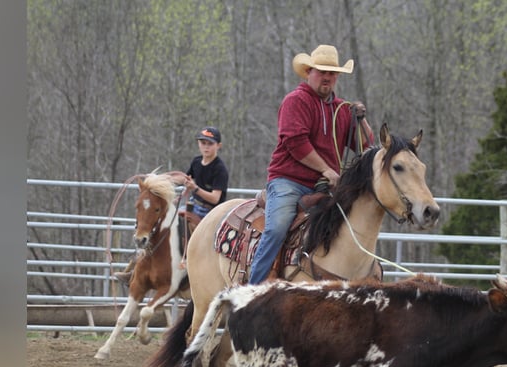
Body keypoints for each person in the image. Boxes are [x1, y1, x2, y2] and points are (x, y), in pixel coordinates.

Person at [247, 44, 374, 284]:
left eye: (332, 73)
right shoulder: (296, 101)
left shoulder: (341, 109)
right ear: (309, 72)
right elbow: (296, 143)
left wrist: (362, 120)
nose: (327, 77)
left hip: (325, 186)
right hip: (289, 181)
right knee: (276, 229)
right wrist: (326, 169)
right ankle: (251, 290)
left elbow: (364, 146)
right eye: (321, 71)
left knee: (352, 225)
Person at [115, 126, 229, 283]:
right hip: (192, 206)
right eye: (203, 142)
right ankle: (135, 268)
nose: (206, 146)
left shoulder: (219, 169)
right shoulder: (196, 162)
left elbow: (215, 198)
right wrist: (159, 180)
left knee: (196, 235)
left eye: (210, 143)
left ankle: (191, 268)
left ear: (218, 146)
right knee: (158, 223)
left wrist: (195, 188)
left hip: (211, 212)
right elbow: (184, 179)